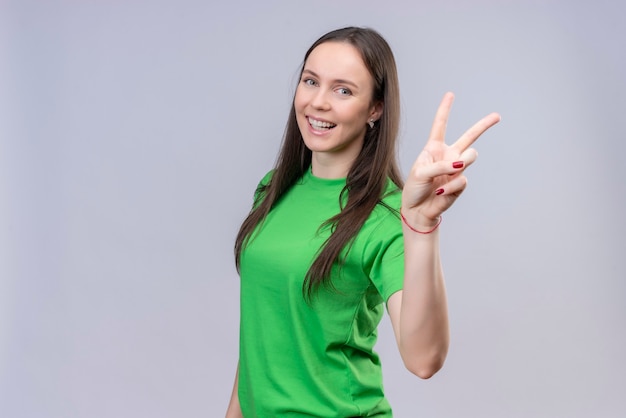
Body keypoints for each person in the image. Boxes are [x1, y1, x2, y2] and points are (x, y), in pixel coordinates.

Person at [225, 26, 500, 417]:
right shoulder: (273, 190)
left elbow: (424, 359)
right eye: (310, 81)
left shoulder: (386, 216)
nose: (318, 102)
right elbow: (261, 337)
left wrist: (420, 225)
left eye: (343, 90)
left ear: (375, 108)